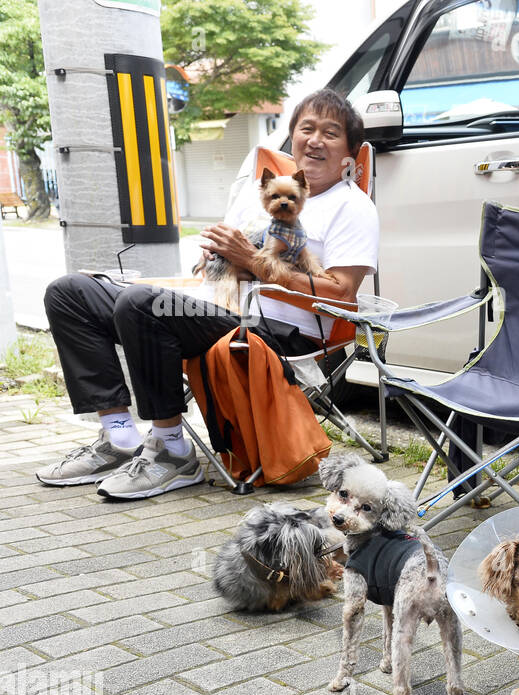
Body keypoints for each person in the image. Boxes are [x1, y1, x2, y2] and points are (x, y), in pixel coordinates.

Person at [36, 88, 379, 499]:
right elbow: (220, 263)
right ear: (293, 138)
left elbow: (341, 295)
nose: (316, 140)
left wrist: (252, 261)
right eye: (307, 128)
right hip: (216, 307)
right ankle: (119, 436)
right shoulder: (261, 197)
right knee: (70, 292)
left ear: (349, 153)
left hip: (278, 331)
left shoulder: (352, 207)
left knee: (142, 305)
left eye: (331, 132)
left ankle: (171, 451)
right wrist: (215, 256)